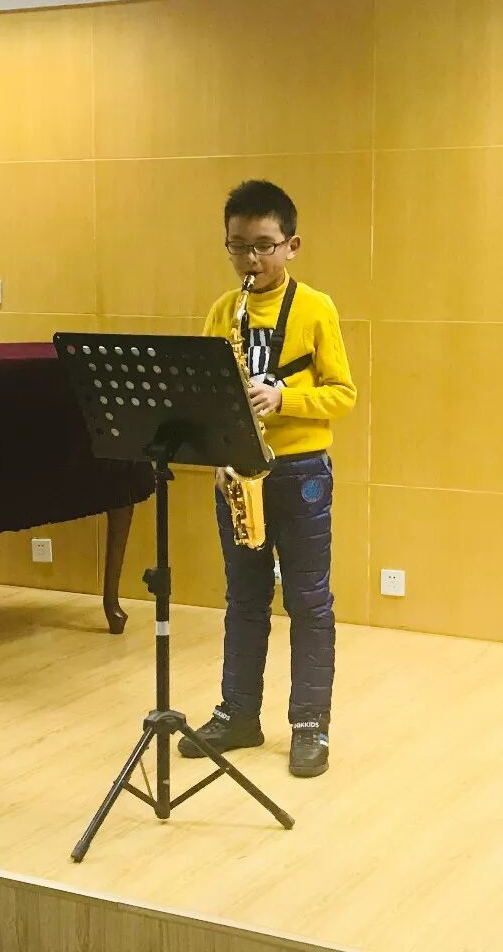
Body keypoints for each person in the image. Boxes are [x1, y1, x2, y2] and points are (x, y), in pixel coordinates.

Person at [178, 179, 356, 778]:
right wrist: (218, 451)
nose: (250, 260)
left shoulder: (315, 308)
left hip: (301, 471)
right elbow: (204, 397)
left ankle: (310, 724)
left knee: (309, 600)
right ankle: (238, 714)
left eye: (263, 246)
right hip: (240, 473)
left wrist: (284, 399)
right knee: (244, 600)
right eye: (238, 246)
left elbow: (343, 394)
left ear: (291, 246)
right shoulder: (221, 312)